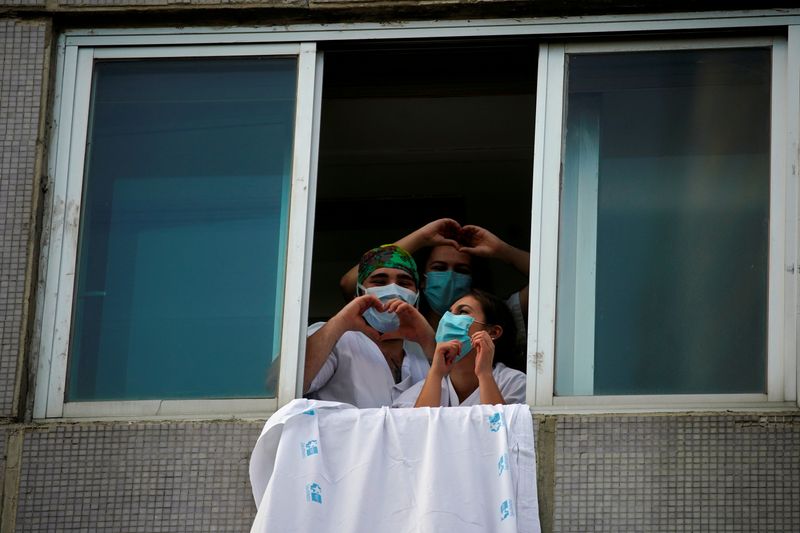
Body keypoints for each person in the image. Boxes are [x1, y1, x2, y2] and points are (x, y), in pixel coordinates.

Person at [339, 218, 530, 368]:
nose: (450, 277)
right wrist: (422, 238)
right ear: (422, 279)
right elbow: (349, 282)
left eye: (461, 270)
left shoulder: (494, 317)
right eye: (439, 267)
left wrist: (502, 251)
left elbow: (554, 282)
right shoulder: (396, 319)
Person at [303, 245, 435, 408]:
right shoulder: (337, 339)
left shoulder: (423, 352)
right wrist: (341, 321)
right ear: (359, 294)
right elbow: (281, 384)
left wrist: (429, 340)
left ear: (416, 297)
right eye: (380, 281)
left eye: (404, 283)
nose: (393, 290)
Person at [393, 289, 526, 407]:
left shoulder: (514, 384)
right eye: (449, 313)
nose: (448, 320)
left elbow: (498, 430)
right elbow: (416, 430)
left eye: (462, 311)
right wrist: (436, 372)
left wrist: (484, 374)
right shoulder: (420, 390)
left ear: (493, 332)